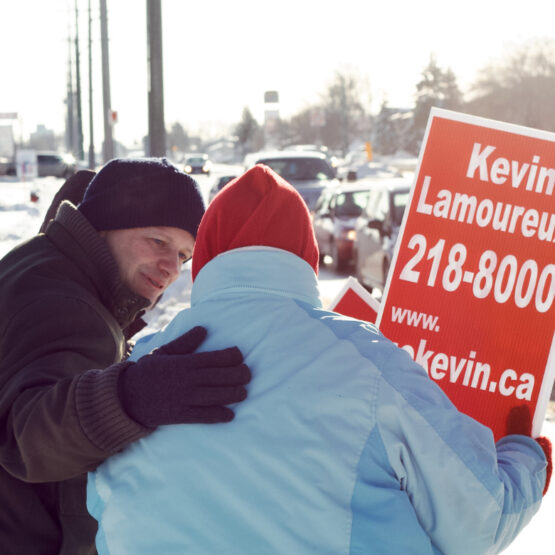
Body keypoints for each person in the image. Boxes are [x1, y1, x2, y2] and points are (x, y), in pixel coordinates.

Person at [87, 164, 551, 554]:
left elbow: (105, 505)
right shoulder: (368, 362)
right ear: (306, 256)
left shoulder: (142, 368)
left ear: (206, 256)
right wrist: (527, 461)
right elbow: (479, 517)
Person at [0, 157, 251, 554]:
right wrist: (128, 398)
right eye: (158, 242)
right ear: (104, 225)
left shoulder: (42, 265)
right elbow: (26, 435)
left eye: (184, 256)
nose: (171, 268)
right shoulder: (68, 305)